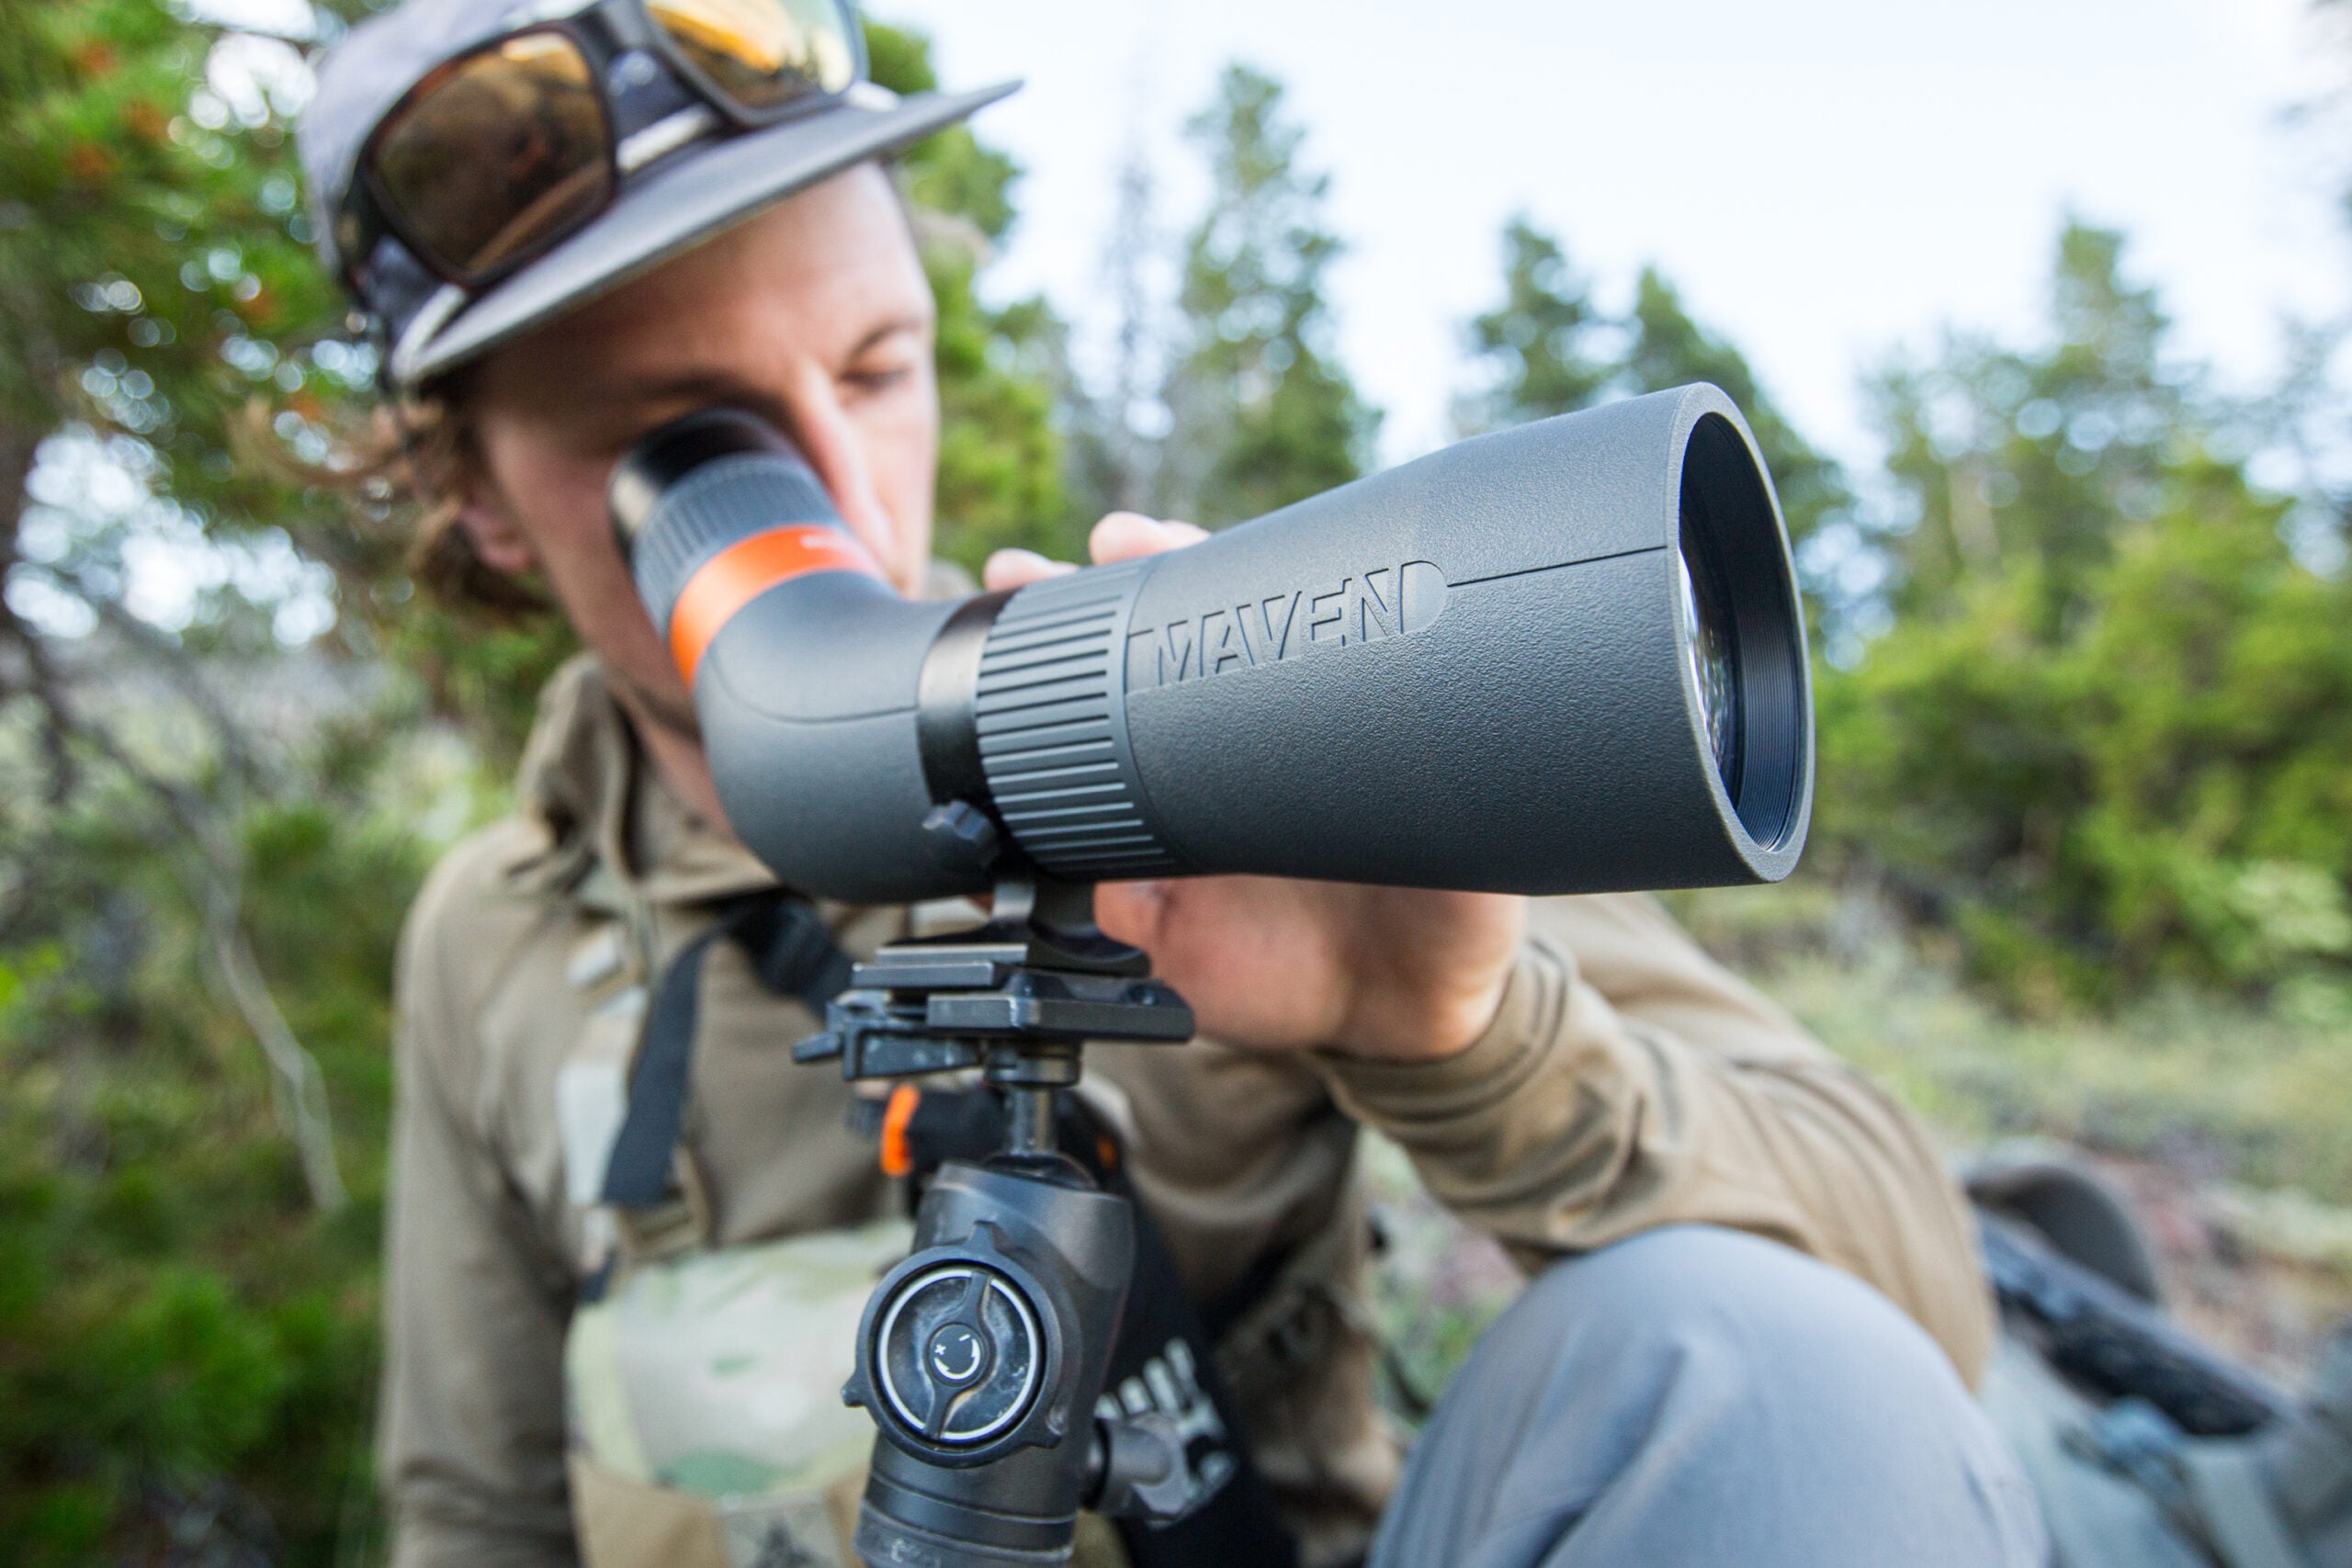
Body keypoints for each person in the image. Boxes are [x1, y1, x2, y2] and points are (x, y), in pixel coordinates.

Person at [297, 2, 2047, 1565]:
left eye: (878, 367)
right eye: (692, 453)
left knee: (1758, 1355)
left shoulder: (1179, 744)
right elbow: (477, 1505)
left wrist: (1458, 1040)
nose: (840, 488)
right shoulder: (497, 935)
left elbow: (1900, 1329)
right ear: (478, 498)